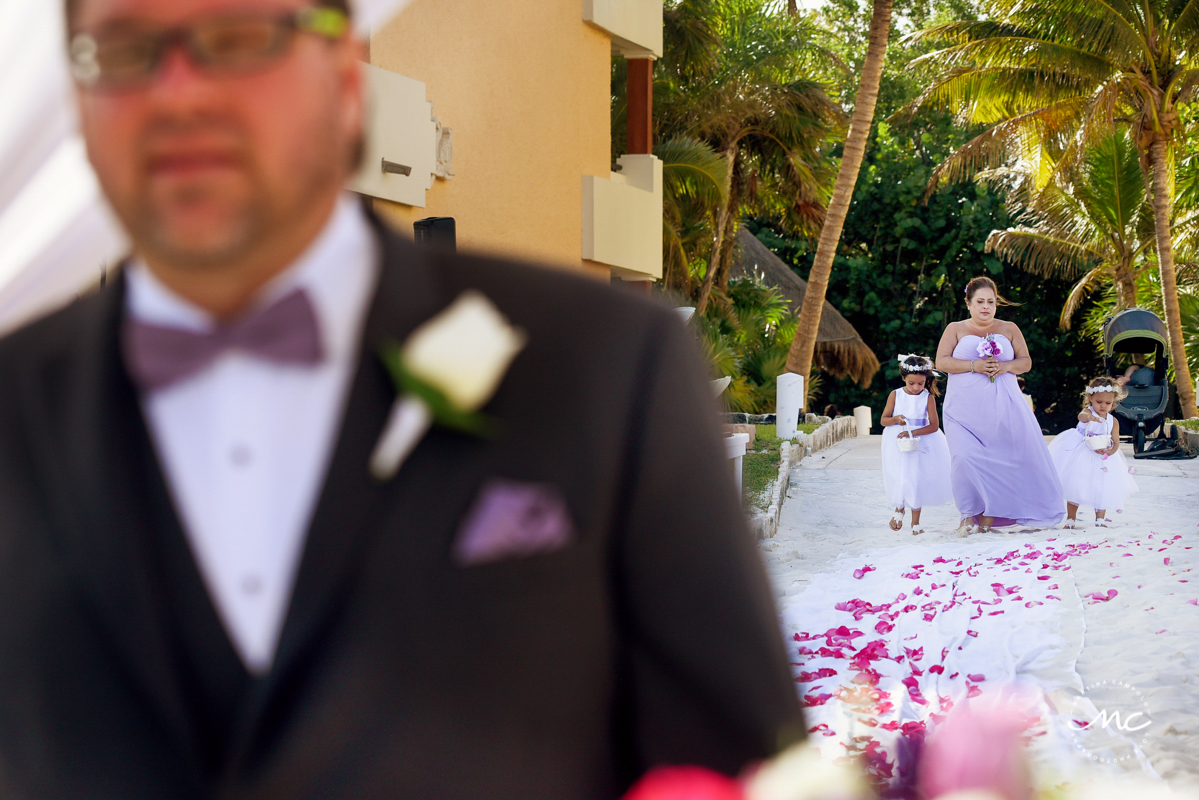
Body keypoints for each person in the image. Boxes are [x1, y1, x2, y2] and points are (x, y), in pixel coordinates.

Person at [0, 1, 804, 796]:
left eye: (237, 38)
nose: (177, 92)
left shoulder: (608, 368)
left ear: (347, 78)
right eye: (122, 51)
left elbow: (736, 767)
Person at [935, 277, 1065, 535]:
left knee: (1001, 460)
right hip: (962, 410)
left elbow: (1025, 362)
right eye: (980, 302)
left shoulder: (1009, 328)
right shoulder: (956, 328)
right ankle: (967, 514)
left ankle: (990, 517)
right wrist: (974, 366)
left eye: (991, 302)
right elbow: (942, 362)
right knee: (963, 458)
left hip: (1003, 408)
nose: (986, 307)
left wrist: (1004, 366)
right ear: (968, 303)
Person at [1048, 377, 1138, 529]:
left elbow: (1116, 442)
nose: (1103, 406)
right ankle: (1071, 519)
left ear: (1113, 401)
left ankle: (1100, 519)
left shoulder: (1112, 420)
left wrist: (1109, 452)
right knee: (1076, 484)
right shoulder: (1087, 412)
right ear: (1091, 398)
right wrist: (1090, 417)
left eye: (1108, 403)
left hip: (1102, 458)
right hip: (1082, 454)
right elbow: (1081, 417)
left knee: (1102, 486)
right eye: (1099, 402)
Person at [879, 354, 952, 535]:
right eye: (911, 383)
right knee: (900, 475)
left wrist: (913, 432)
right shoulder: (895, 394)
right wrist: (896, 419)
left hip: (921, 440)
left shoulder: (928, 398)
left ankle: (916, 523)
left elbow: (934, 425)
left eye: (920, 383)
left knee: (916, 478)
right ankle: (899, 509)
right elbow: (883, 420)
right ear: (904, 378)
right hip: (897, 440)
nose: (915, 387)